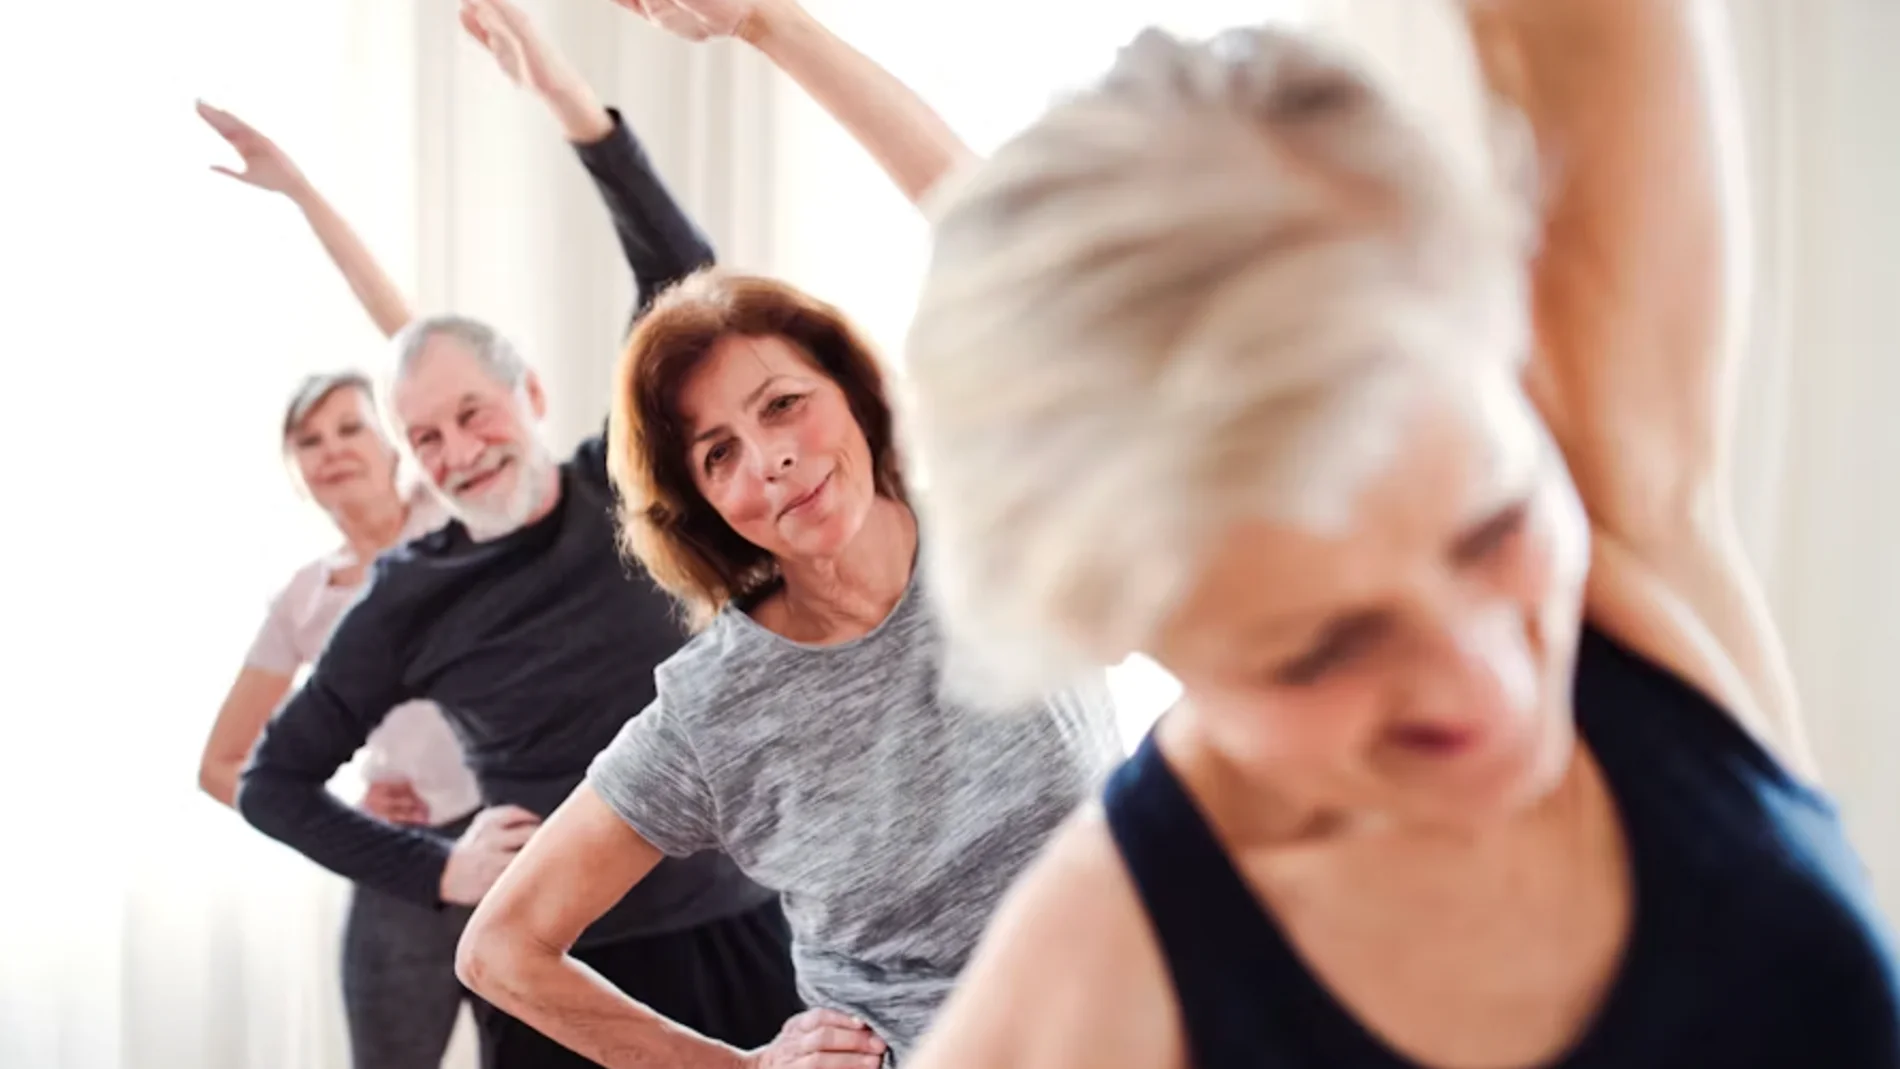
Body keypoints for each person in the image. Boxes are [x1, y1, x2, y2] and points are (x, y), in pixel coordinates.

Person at [870, 2, 1896, 1068]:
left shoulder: (1621, 501)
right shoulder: (1094, 987)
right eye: (1324, 649)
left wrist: (771, 28)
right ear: (1112, 623)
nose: (1488, 686)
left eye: (1493, 529)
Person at [449, 29, 1121, 1069]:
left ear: (854, 398)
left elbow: (1000, 235)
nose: (768, 461)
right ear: (702, 502)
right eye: (718, 451)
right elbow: (500, 948)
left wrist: (768, 21)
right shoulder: (715, 707)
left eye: (784, 405)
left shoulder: (1003, 527)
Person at [227, 2, 802, 1065]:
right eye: (427, 436)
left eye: (474, 414)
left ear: (531, 392)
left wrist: (565, 99)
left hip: (732, 923)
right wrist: (434, 866)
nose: (457, 450)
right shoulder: (407, 591)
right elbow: (270, 781)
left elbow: (682, 276)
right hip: (558, 964)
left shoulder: (618, 485)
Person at [196, 362, 477, 1069]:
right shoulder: (303, 597)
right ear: (297, 471)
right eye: (310, 439)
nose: (333, 448)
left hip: (521, 838)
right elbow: (221, 764)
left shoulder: (458, 519)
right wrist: (346, 816)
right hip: (402, 866)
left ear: (395, 443)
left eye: (352, 426)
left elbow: (426, 345)